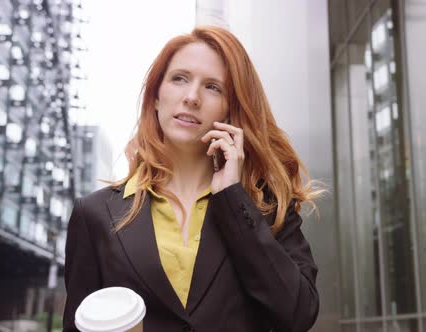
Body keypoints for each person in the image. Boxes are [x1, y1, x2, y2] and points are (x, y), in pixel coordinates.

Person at [63, 25, 323, 332]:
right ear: (156, 97)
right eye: (179, 79)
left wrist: (232, 197)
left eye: (213, 87)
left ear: (230, 110)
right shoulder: (93, 215)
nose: (191, 97)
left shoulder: (266, 209)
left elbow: (297, 315)